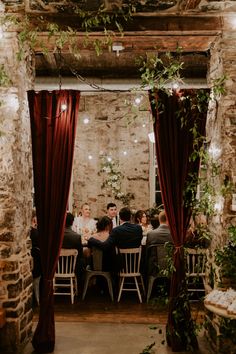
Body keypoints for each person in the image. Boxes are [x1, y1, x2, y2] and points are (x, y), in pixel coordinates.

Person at [63, 212, 84, 278]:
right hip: (72, 267)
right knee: (82, 260)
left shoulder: (56, 235)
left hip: (58, 266)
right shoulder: (76, 236)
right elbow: (80, 254)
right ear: (72, 223)